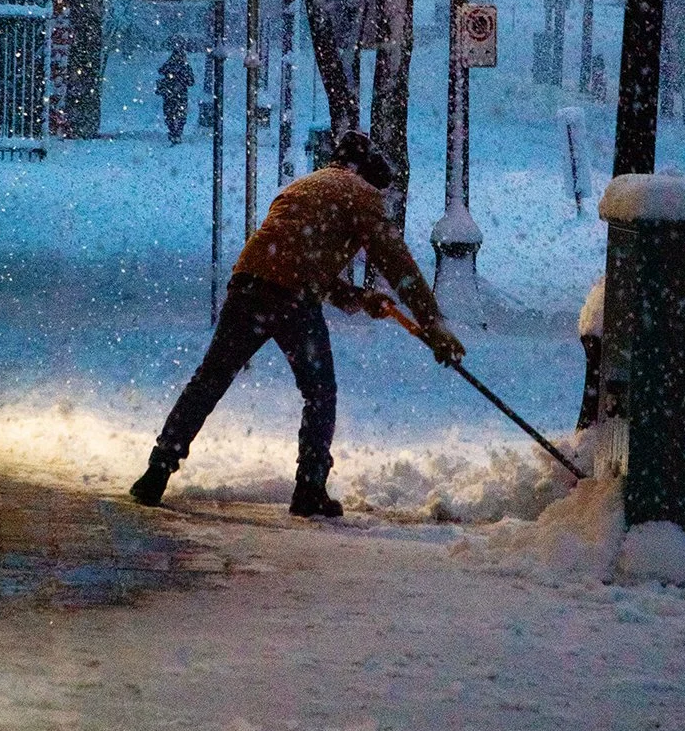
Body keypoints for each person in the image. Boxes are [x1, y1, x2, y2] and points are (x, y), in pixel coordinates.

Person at [129, 130, 467, 517]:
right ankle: (309, 488)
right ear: (373, 178)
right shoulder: (362, 195)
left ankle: (156, 471)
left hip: (249, 284)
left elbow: (297, 257)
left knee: (209, 380)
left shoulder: (305, 186)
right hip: (292, 299)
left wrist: (355, 297)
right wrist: (434, 323)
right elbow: (398, 263)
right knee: (319, 393)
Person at [156, 41, 196, 144]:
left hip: (170, 94)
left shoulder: (170, 64)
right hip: (180, 94)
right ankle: (177, 133)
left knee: (170, 114)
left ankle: (174, 132)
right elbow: (191, 81)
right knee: (179, 115)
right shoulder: (185, 67)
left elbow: (161, 71)